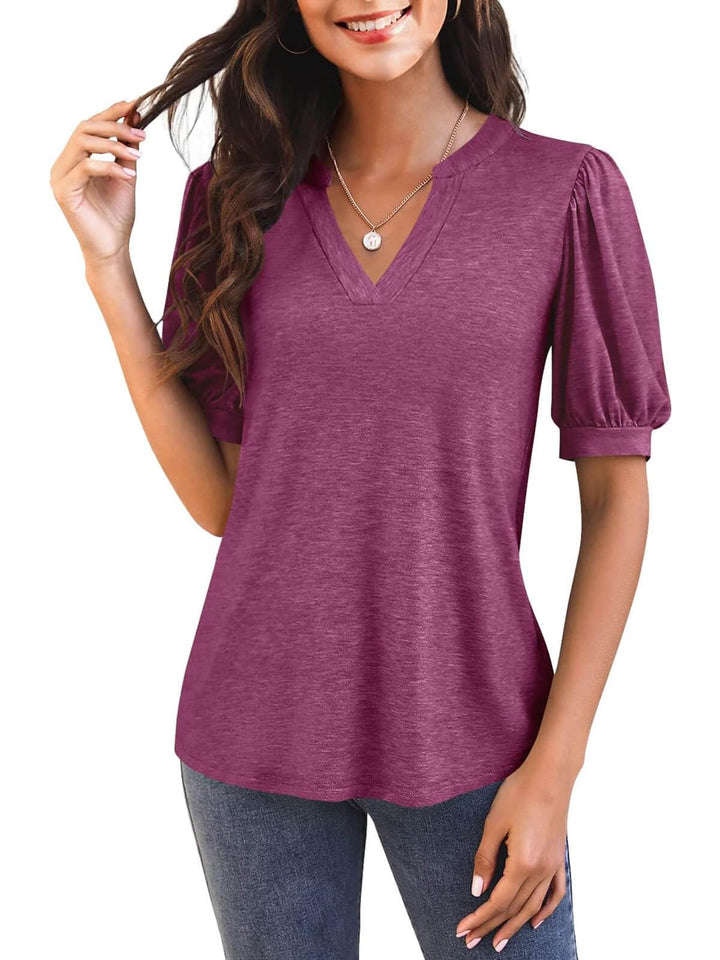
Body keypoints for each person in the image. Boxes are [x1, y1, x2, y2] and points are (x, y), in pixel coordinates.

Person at [50, 0, 672, 957]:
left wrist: (555, 768)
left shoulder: (565, 189)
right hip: (250, 733)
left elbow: (616, 495)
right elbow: (224, 503)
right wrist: (108, 268)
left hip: (477, 735)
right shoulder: (234, 197)